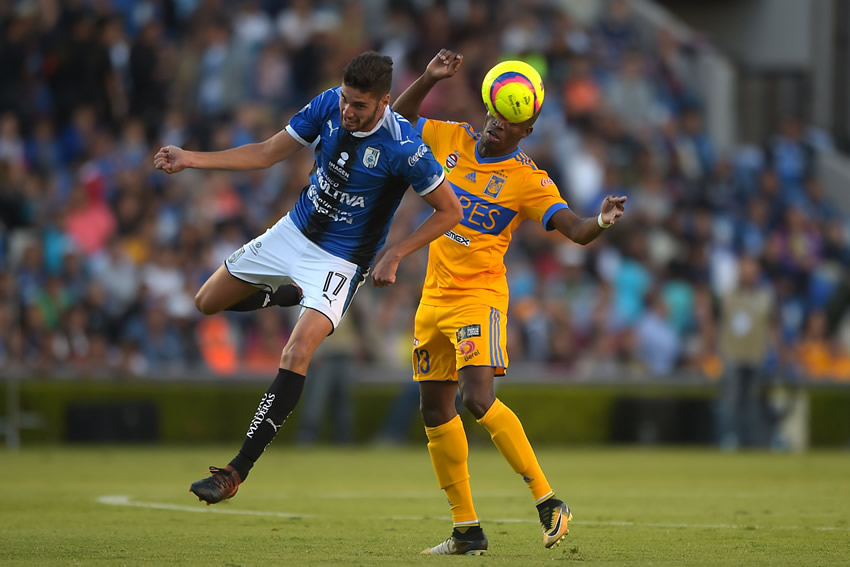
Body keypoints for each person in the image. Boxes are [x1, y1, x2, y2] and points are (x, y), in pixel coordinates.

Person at [153, 51, 462, 504]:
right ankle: (284, 296)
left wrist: (396, 252)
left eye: (359, 105)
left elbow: (450, 211)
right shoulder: (327, 105)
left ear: (383, 103)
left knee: (296, 351)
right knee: (205, 301)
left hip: (340, 262)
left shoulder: (405, 148)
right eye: (345, 101)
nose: (347, 111)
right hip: (293, 231)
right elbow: (265, 154)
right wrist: (190, 159)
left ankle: (235, 471)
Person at [392, 50, 627, 555]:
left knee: (477, 399)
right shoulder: (450, 138)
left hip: (479, 297)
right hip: (432, 299)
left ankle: (548, 500)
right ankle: (466, 530)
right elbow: (398, 120)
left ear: (527, 132)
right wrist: (429, 78)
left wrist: (602, 220)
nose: (498, 124)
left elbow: (575, 231)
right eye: (496, 115)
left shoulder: (528, 179)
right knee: (434, 410)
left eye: (511, 122)